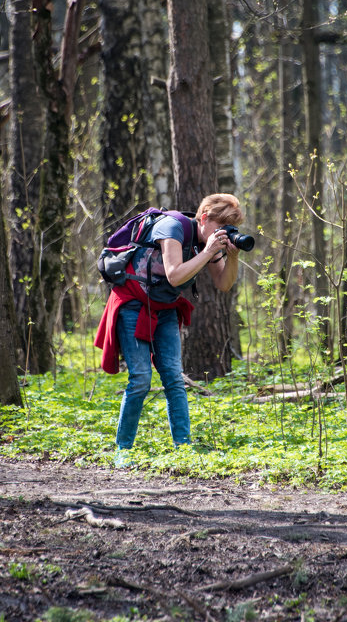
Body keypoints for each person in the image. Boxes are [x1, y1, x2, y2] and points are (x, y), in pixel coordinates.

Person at [94, 194, 243, 466]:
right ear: (205, 218)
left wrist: (230, 256)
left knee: (174, 378)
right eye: (220, 225)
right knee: (140, 379)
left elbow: (224, 283)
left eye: (228, 228)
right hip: (132, 303)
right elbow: (174, 274)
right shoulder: (172, 227)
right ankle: (122, 451)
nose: (222, 233)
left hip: (164, 308)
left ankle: (183, 449)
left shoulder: (207, 242)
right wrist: (210, 251)